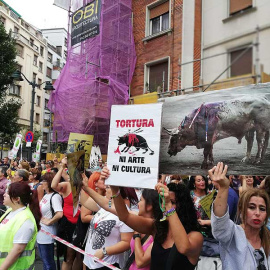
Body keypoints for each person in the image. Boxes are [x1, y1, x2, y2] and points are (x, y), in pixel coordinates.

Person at [101, 167, 203, 270]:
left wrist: (168, 206)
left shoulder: (195, 236)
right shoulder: (157, 227)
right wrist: (115, 189)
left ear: (183, 206)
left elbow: (183, 247)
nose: (164, 205)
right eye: (162, 201)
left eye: (172, 202)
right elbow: (124, 216)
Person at [210, 162, 270, 270]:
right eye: (251, 207)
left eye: (262, 209)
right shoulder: (232, 234)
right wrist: (224, 188)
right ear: (242, 210)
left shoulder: (267, 238)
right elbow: (219, 223)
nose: (257, 213)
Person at [80, 174, 135, 270]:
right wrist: (80, 185)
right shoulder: (105, 206)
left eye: (109, 187)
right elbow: (85, 201)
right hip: (91, 262)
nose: (105, 188)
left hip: (107, 263)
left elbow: (127, 242)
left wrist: (104, 251)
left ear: (117, 192)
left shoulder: (125, 213)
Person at [0, 182, 41, 270]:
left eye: (7, 193)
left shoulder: (25, 220)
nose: (4, 195)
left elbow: (18, 250)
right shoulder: (10, 211)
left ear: (16, 199)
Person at [51, 158, 80, 270]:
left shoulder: (86, 187)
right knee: (68, 256)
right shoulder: (67, 185)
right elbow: (54, 185)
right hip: (68, 224)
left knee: (79, 256)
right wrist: (62, 166)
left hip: (81, 224)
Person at [37, 172, 63, 270]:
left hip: (48, 233)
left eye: (43, 181)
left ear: (48, 182)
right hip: (42, 232)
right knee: (45, 261)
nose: (41, 183)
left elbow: (59, 213)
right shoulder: (46, 195)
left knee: (48, 263)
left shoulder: (55, 196)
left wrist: (50, 221)